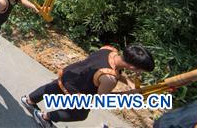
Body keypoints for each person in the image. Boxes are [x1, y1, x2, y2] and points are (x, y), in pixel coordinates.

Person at [22, 44, 154, 128]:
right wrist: (128, 95)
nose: (139, 73)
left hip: (71, 74)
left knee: (52, 88)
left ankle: (29, 100)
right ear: (132, 67)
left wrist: (128, 82)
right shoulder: (109, 79)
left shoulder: (109, 50)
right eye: (140, 70)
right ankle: (45, 117)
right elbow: (103, 99)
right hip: (78, 90)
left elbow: (110, 68)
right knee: (79, 114)